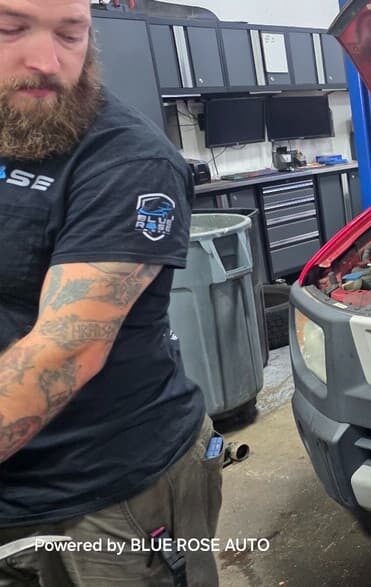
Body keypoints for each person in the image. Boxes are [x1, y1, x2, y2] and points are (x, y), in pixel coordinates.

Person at [0, 0, 222, 585]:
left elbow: (66, 350)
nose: (47, 60)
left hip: (107, 496)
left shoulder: (131, 160)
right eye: (10, 29)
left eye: (70, 34)